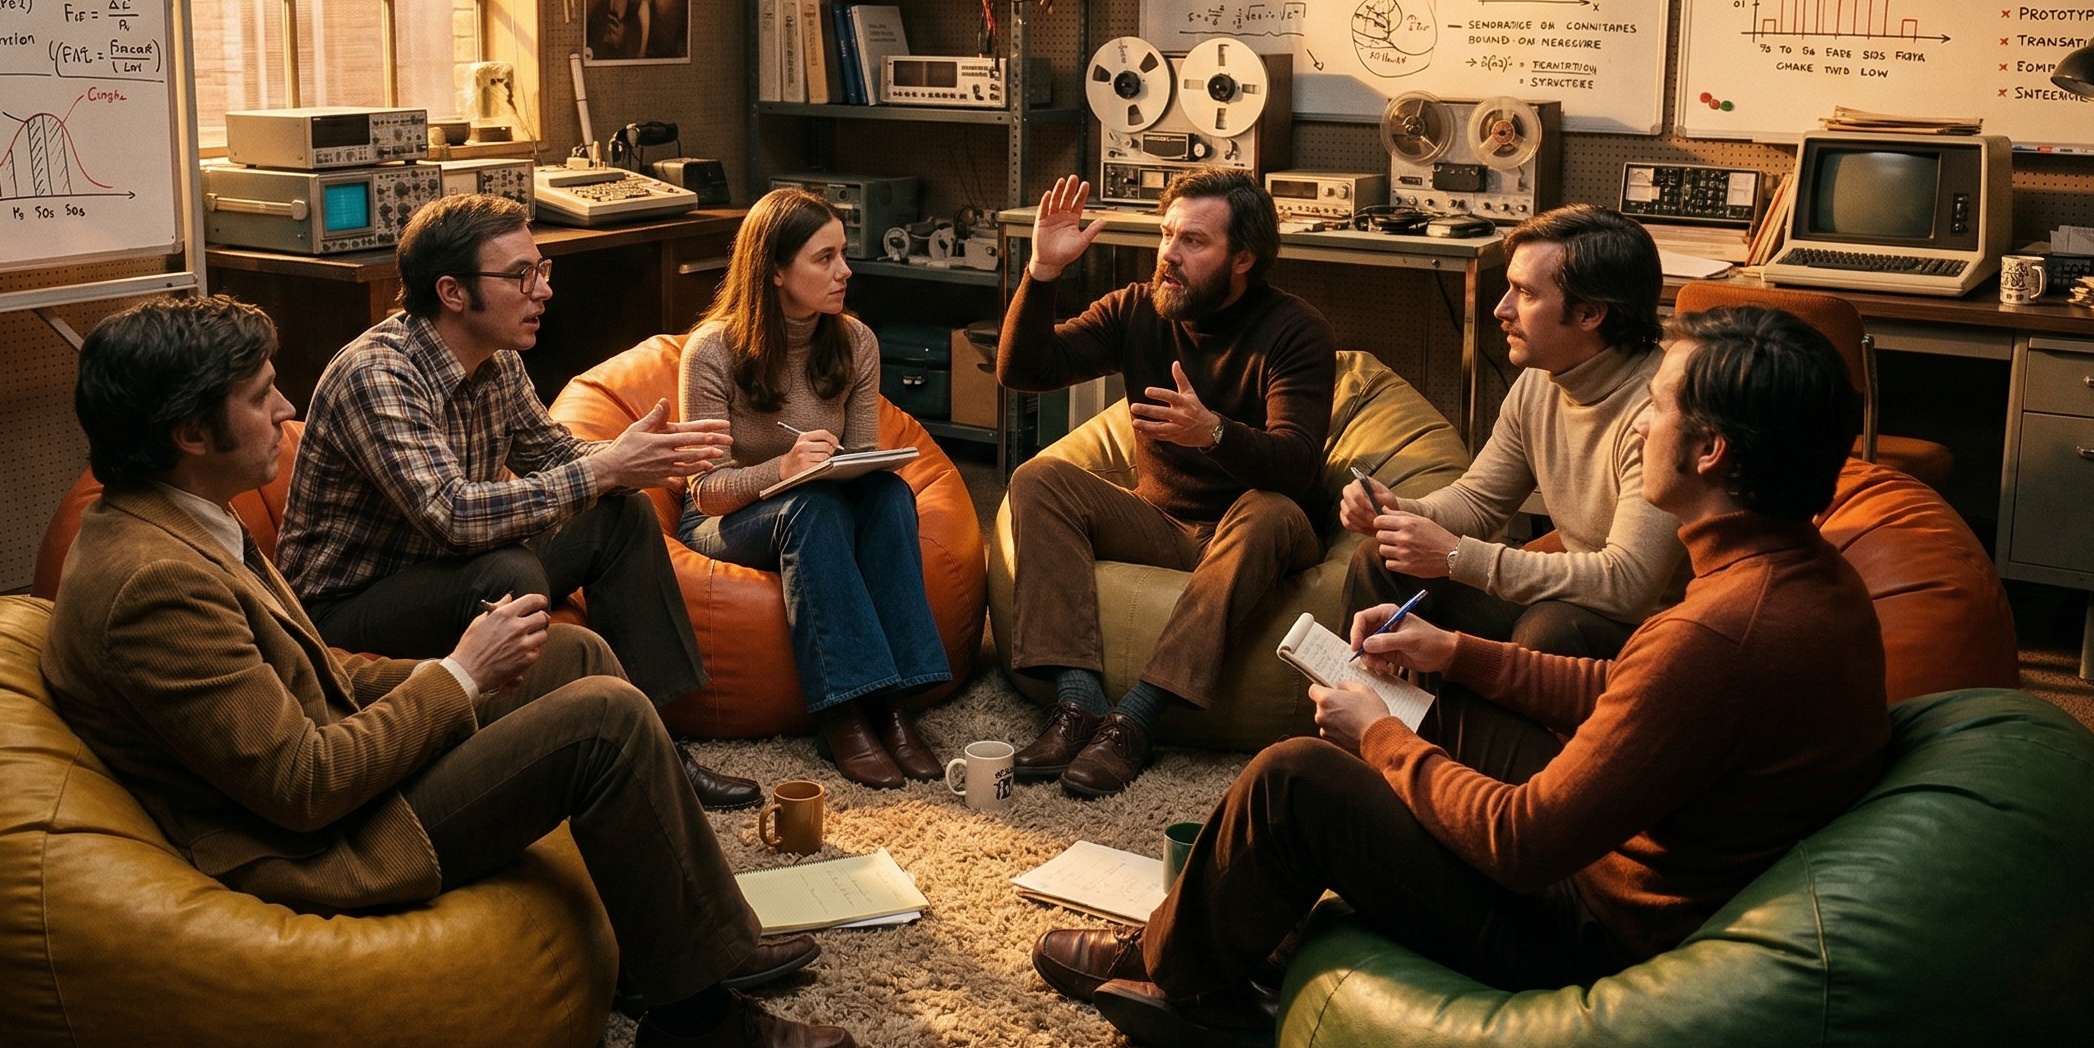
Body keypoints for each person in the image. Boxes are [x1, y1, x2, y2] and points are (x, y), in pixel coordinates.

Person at [1030, 305, 1893, 1048]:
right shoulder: (1800, 576)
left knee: (1295, 777)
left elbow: (1526, 841)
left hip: (1593, 932)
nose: (1638, 428)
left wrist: (1378, 738)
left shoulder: (1718, 632)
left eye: (1658, 408)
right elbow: (1627, 687)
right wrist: (1455, 652)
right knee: (1425, 703)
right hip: (1637, 854)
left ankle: (1178, 975)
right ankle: (1249, 920)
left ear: (1712, 452)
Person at [43, 295, 857, 1048]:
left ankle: (672, 943)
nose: (288, 408)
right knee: (603, 721)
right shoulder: (154, 585)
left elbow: (320, 673)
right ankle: (696, 1024)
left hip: (347, 784)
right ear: (190, 433)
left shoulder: (183, 521)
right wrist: (459, 675)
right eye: (261, 398)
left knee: (569, 654)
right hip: (325, 847)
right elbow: (303, 787)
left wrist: (476, 668)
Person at [274, 194, 760, 811]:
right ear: (452, 292)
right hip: (347, 606)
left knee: (621, 515)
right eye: (520, 276)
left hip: (444, 569)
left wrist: (629, 457)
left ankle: (659, 739)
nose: (544, 291)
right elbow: (451, 516)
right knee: (509, 571)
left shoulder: (497, 361)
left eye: (542, 270)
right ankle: (516, 758)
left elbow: (555, 456)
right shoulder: (377, 373)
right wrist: (608, 467)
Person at [998, 170, 1335, 798]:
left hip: (1259, 534)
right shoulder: (1137, 307)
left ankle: (1137, 720)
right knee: (1038, 478)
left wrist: (1213, 433)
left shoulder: (1296, 330)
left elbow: (1296, 465)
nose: (1169, 255)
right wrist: (1042, 273)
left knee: (1265, 510)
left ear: (1243, 258)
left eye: (1193, 242)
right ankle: (1078, 702)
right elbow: (1024, 369)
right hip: (1165, 527)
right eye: (1166, 234)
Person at [675, 190, 953, 789]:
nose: (845, 271)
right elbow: (705, 490)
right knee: (811, 505)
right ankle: (843, 712)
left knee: (889, 495)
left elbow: (860, 454)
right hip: (723, 520)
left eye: (843, 254)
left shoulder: (855, 341)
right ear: (774, 271)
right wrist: (783, 469)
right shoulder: (711, 351)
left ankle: (896, 705)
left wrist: (862, 465)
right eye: (824, 258)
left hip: (819, 503)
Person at [1341, 204, 1682, 661]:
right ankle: (1362, 713)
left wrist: (1457, 557)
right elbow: (1478, 500)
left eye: (1524, 293)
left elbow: (1629, 586)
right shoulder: (1543, 378)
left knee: (1552, 630)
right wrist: (1402, 511)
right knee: (1381, 557)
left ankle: (1458, 731)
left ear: (1590, 314)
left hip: (1656, 628)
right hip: (1573, 594)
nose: (1501, 309)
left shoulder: (1659, 414)